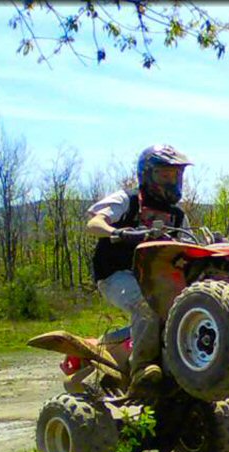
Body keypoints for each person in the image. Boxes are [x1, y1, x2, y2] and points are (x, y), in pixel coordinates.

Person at [86, 144, 192, 395]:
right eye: (164, 175)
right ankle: (142, 369)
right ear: (147, 174)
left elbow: (189, 246)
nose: (171, 181)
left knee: (185, 305)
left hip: (155, 278)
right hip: (116, 274)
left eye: (175, 175)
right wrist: (118, 233)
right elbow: (93, 222)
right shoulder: (128, 200)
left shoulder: (177, 216)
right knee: (146, 304)